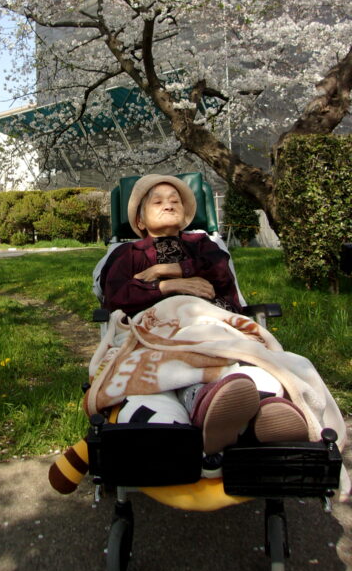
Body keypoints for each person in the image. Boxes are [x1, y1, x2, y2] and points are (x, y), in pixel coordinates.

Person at [100, 174, 309, 458]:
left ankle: (253, 409)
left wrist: (169, 270)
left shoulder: (204, 246)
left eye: (175, 201)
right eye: (158, 202)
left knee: (250, 372)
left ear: (186, 215)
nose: (168, 205)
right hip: (156, 333)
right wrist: (167, 287)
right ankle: (206, 404)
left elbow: (221, 272)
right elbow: (116, 296)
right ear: (139, 221)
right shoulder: (128, 253)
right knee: (161, 380)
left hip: (213, 327)